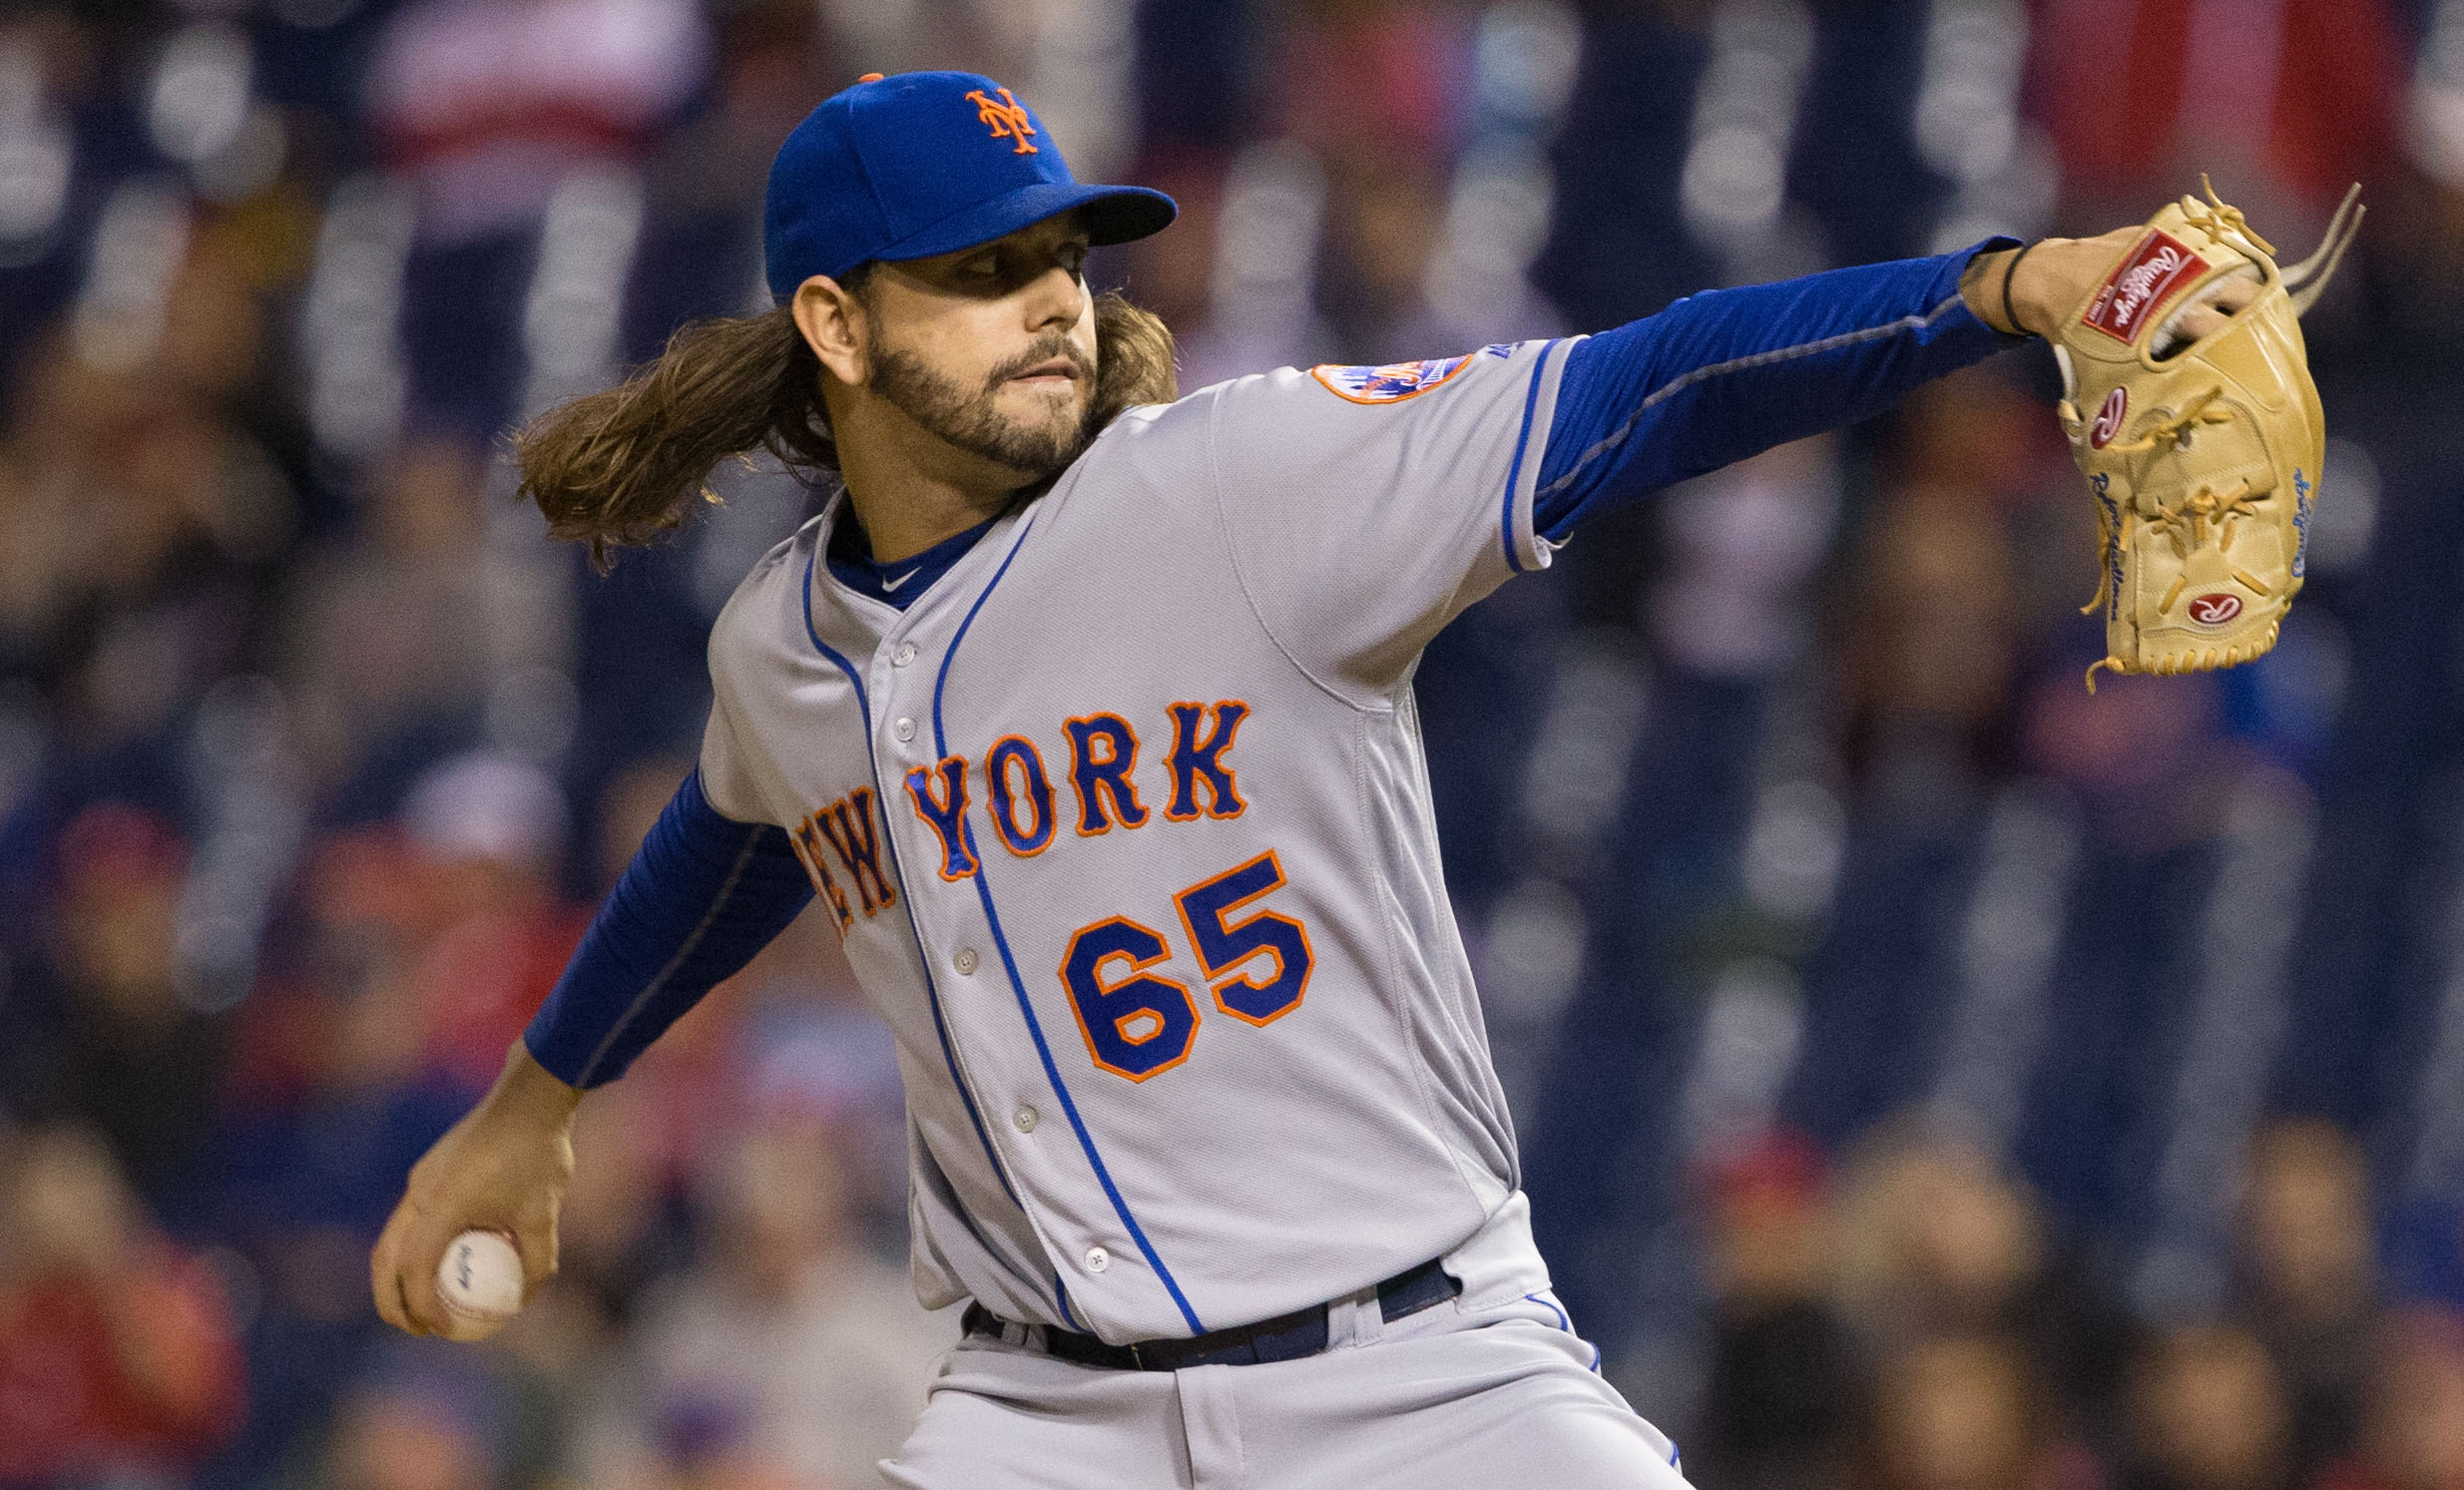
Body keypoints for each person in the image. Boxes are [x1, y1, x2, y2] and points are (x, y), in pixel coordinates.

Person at [370, 70, 2257, 1485]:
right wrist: (538, 1100)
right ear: (837, 327)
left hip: (1420, 1380)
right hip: (1040, 1415)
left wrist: (2014, 285)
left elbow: (1651, 382)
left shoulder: (1242, 486)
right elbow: (739, 835)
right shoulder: (777, 647)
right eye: (976, 269)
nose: (1047, 300)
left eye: (1058, 251)